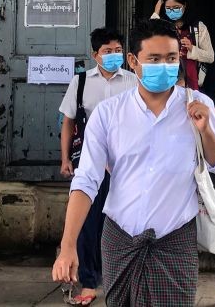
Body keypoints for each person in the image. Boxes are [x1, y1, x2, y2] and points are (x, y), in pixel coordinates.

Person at [52, 19, 215, 307]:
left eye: (171, 58)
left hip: (175, 240)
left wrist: (206, 130)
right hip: (120, 239)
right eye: (155, 59)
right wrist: (69, 245)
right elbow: (86, 181)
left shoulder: (198, 104)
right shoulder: (109, 114)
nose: (165, 66)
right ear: (133, 61)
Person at [58, 27, 138, 305]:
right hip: (89, 161)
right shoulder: (80, 83)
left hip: (123, 162)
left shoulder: (132, 80)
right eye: (108, 51)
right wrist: (65, 158)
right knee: (87, 222)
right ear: (95, 55)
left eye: (118, 51)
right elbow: (68, 122)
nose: (114, 56)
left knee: (118, 222)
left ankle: (119, 277)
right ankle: (90, 282)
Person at [151, 0, 214, 91]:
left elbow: (210, 57)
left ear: (184, 5)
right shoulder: (162, 26)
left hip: (191, 83)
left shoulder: (198, 27)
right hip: (165, 81)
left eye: (176, 7)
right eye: (168, 8)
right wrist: (156, 13)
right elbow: (148, 40)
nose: (172, 11)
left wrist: (192, 49)